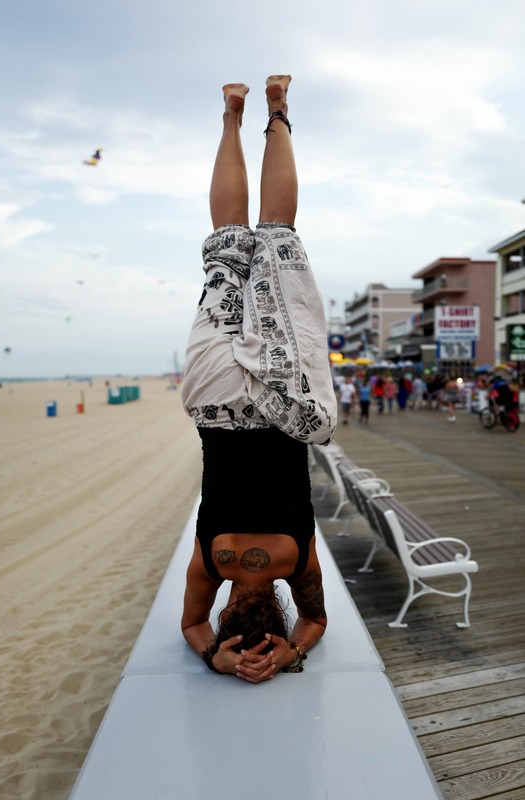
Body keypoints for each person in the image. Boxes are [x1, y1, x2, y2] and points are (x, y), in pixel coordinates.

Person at [180, 76, 337, 684]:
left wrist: (289, 651)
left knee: (273, 233)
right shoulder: (211, 566)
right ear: (229, 611)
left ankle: (270, 110)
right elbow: (193, 627)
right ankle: (233, 115)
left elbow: (314, 624)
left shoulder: (294, 563)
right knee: (229, 244)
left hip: (270, 400)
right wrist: (215, 655)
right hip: (216, 399)